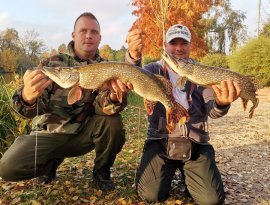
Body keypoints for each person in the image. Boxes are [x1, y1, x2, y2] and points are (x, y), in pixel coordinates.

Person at [0, 12, 143, 192]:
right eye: (83, 30)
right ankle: (49, 164)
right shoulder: (52, 64)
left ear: (99, 38)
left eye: (94, 32)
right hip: (49, 135)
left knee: (113, 122)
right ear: (74, 35)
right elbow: (26, 112)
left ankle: (102, 172)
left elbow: (103, 109)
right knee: (7, 168)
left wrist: (114, 96)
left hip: (83, 135)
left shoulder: (105, 66)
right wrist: (27, 96)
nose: (88, 35)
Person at [129, 24, 241, 204]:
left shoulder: (201, 74)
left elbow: (212, 111)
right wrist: (134, 57)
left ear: (190, 46)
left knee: (211, 201)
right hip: (161, 142)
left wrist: (222, 102)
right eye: (174, 43)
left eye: (184, 43)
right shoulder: (152, 70)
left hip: (195, 145)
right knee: (150, 195)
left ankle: (191, 176)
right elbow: (133, 74)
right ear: (165, 45)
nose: (179, 48)